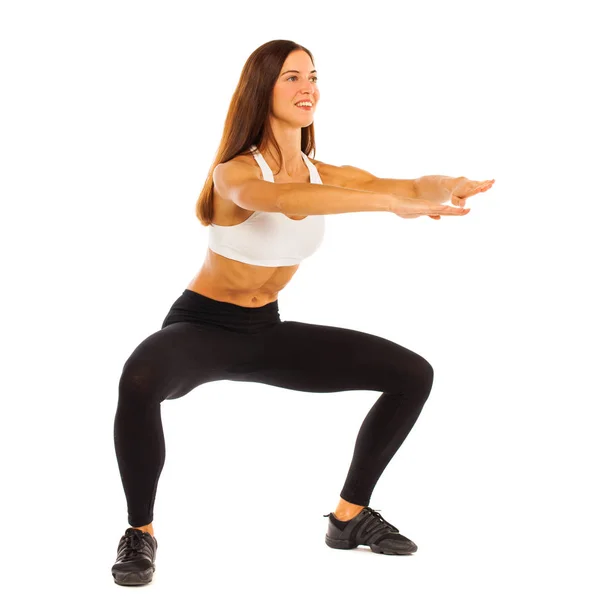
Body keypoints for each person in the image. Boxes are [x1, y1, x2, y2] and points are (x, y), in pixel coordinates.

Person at [111, 39, 495, 586]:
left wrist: (444, 187)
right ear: (260, 89)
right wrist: (389, 205)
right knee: (141, 377)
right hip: (203, 327)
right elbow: (285, 201)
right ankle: (140, 533)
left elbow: (406, 185)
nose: (307, 86)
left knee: (412, 374)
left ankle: (349, 518)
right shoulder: (233, 175)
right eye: (291, 77)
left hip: (264, 331)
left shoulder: (321, 171)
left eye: (312, 75)